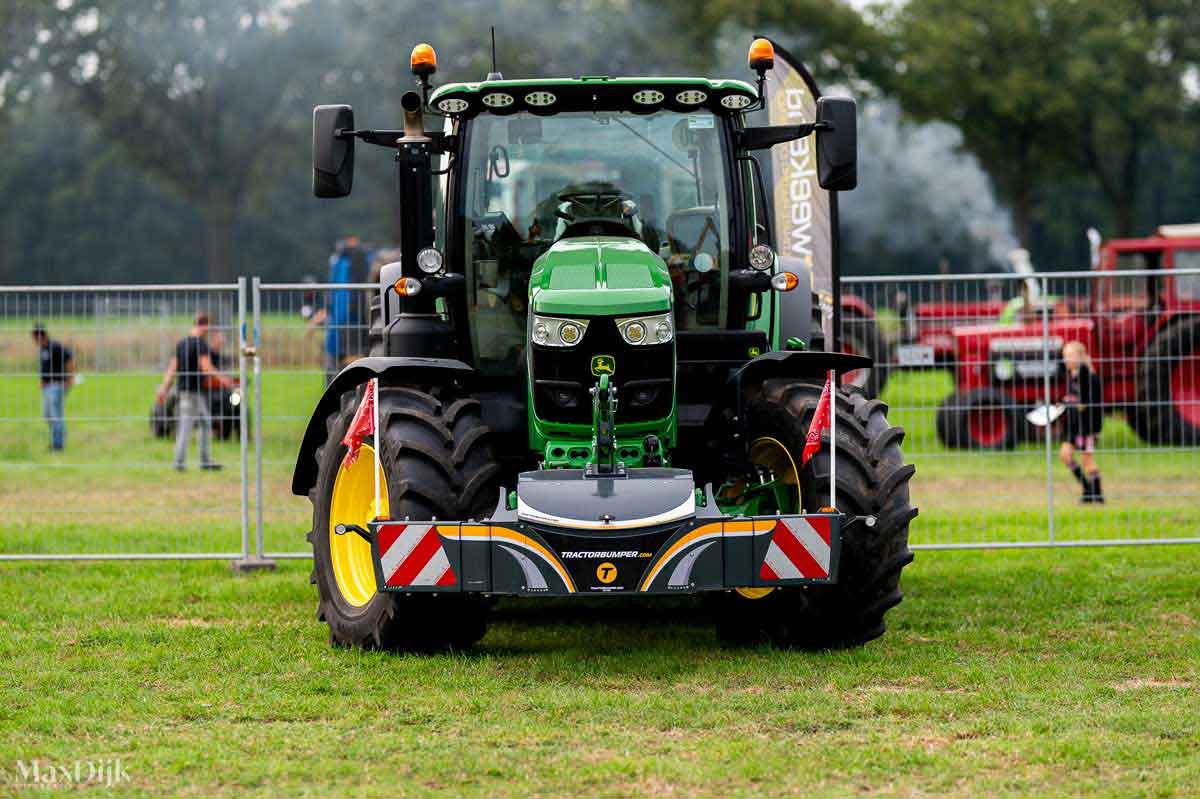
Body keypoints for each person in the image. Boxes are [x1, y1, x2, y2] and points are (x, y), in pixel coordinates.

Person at [155, 313, 233, 471]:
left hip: (185, 391)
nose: (208, 332)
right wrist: (224, 379)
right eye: (208, 328)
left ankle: (205, 461)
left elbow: (172, 369)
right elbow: (206, 367)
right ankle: (179, 463)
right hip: (193, 393)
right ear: (203, 326)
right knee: (186, 427)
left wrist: (164, 389)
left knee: (205, 423)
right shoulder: (200, 344)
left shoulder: (181, 344)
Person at [1059, 340, 1105, 503]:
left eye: (1070, 355)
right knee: (1065, 455)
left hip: (1087, 427)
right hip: (1074, 427)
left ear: (1080, 356)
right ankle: (1087, 489)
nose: (1066, 360)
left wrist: (1068, 402)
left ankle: (1097, 494)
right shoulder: (1072, 376)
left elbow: (1083, 404)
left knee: (1087, 461)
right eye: (1065, 356)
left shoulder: (1088, 376)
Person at [31, 324, 74, 451]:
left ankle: (58, 444)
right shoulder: (42, 349)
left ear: (40, 336)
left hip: (57, 385)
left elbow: (69, 359)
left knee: (55, 414)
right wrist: (42, 381)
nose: (33, 341)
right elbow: (44, 367)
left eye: (34, 337)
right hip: (47, 387)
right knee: (47, 414)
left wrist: (70, 379)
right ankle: (58, 438)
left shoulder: (55, 346)